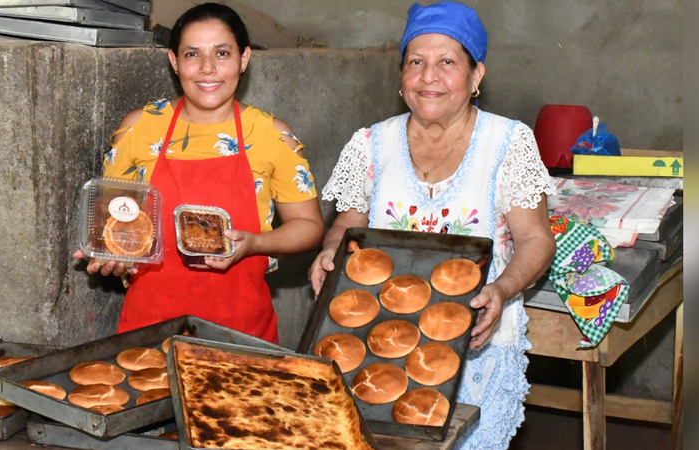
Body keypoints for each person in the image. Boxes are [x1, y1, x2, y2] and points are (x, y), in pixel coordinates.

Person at [309, 2, 556, 448]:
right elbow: (348, 222)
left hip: (477, 345)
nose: (429, 77)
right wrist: (330, 251)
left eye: (447, 63)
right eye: (416, 63)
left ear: (476, 75)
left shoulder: (506, 143)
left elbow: (536, 239)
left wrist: (500, 290)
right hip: (380, 342)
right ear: (401, 75)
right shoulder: (371, 144)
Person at [74, 3, 324, 344]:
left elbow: (309, 228)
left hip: (241, 333)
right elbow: (115, 225)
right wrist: (109, 255)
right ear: (174, 61)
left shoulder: (272, 136)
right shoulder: (140, 128)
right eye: (193, 54)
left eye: (222, 53)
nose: (208, 68)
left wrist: (255, 244)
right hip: (149, 329)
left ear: (244, 58)